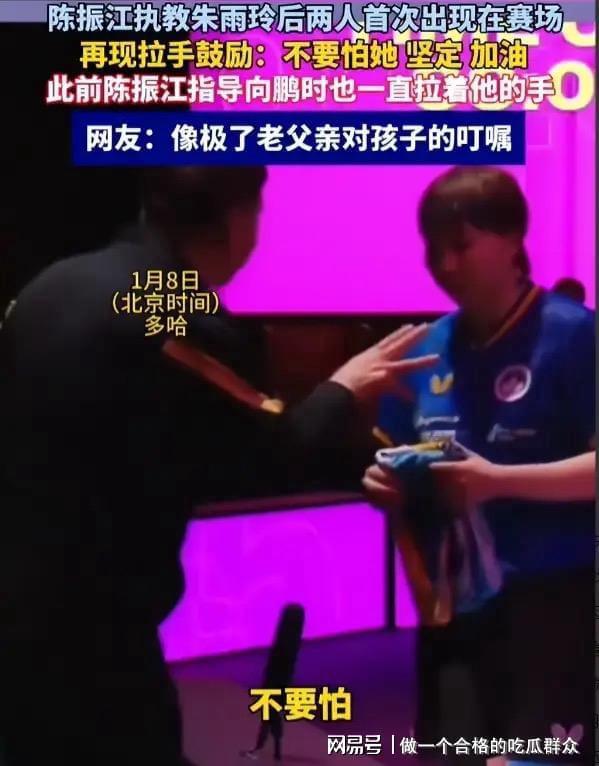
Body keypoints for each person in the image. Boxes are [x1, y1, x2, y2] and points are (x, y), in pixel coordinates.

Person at [0, 166, 438, 766]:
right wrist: (345, 388)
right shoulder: (166, 299)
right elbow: (269, 454)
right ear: (237, 220)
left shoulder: (51, 283)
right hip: (89, 638)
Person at [363, 167, 595, 766]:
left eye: (460, 245)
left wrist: (497, 482)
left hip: (554, 608)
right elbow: (396, 460)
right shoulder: (421, 351)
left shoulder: (575, 337)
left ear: (513, 238)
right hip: (454, 615)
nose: (443, 264)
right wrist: (385, 484)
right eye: (431, 249)